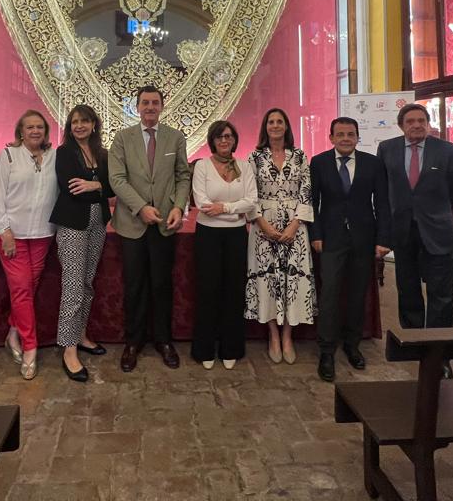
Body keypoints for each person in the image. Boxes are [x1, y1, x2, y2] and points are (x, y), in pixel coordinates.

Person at [377, 103, 453, 374]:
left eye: (421, 120)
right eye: (410, 121)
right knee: (407, 291)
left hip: (438, 232)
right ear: (401, 125)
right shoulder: (388, 149)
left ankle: (440, 354)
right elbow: (383, 191)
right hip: (403, 232)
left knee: (441, 295)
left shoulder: (448, 150)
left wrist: (437, 208)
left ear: (428, 124)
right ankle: (415, 345)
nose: (416, 125)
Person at [108, 85, 191, 372]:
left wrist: (179, 207)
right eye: (145, 103)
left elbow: (183, 176)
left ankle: (163, 341)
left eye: (155, 102)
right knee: (134, 286)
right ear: (137, 106)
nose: (150, 107)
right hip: (132, 223)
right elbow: (117, 179)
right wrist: (140, 207)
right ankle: (133, 342)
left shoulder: (176, 137)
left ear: (162, 106)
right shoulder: (122, 138)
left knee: (161, 285)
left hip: (166, 223)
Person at [310, 117, 390, 382]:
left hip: (363, 238)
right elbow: (313, 202)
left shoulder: (373, 164)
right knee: (330, 294)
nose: (345, 138)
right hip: (330, 239)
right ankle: (327, 350)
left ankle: (352, 345)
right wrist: (316, 235)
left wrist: (382, 239)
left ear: (358, 137)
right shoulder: (319, 162)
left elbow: (382, 203)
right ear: (331, 137)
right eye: (340, 134)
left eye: (350, 134)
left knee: (358, 293)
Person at [0, 109, 57, 380]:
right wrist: (4, 231)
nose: (35, 131)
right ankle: (30, 348)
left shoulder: (54, 157)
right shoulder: (7, 156)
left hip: (42, 234)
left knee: (29, 286)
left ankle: (13, 331)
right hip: (10, 234)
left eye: (40, 127)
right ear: (20, 131)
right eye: (30, 127)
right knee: (21, 289)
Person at [245, 108, 317, 363]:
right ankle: (273, 334)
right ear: (265, 127)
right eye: (271, 122)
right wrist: (262, 224)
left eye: (280, 122)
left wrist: (294, 225)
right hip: (263, 226)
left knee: (293, 282)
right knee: (269, 281)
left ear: (286, 127)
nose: (275, 126)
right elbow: (249, 194)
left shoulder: (299, 156)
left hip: (294, 228)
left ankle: (288, 335)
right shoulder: (254, 157)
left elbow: (306, 192)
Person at [50, 104, 114, 383]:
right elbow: (70, 187)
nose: (79, 126)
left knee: (87, 282)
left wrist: (95, 185)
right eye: (74, 121)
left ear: (93, 124)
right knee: (73, 286)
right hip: (72, 222)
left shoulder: (103, 153)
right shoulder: (64, 153)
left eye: (84, 121)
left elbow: (113, 185)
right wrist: (96, 186)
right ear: (69, 126)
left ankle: (81, 334)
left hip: (98, 221)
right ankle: (69, 347)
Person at [191, 120, 258, 370]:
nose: (224, 140)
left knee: (233, 291)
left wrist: (225, 208)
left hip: (237, 236)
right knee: (208, 291)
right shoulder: (202, 167)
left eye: (229, 136)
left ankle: (231, 347)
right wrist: (233, 210)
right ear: (212, 140)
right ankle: (204, 349)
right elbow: (202, 203)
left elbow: (251, 201)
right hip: (208, 234)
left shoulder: (244, 166)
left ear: (234, 140)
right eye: (219, 136)